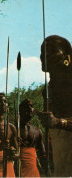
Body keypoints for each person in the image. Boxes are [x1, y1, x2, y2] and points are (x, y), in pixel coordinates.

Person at [38, 35, 72, 176]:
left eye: (52, 50)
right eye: (42, 51)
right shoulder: (47, 91)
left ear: (67, 57)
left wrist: (59, 123)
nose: (45, 55)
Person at [18, 99, 49, 177]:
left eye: (31, 106)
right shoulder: (14, 129)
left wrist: (47, 172)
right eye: (26, 107)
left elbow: (42, 155)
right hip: (18, 170)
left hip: (33, 171)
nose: (30, 109)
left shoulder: (37, 131)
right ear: (20, 111)